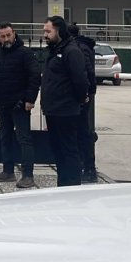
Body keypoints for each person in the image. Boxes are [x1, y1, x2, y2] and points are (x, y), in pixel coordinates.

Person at [0, 22, 42, 189]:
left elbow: (34, 77)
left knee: (24, 139)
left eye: (8, 35)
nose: (6, 38)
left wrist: (30, 100)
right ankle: (8, 171)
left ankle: (27, 175)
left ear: (14, 34)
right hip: (2, 104)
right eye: (2, 36)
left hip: (20, 105)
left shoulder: (25, 53)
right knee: (5, 138)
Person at [40, 16, 89, 186]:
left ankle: (72, 185)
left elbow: (80, 80)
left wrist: (79, 99)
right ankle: (62, 184)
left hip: (66, 110)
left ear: (59, 30)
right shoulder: (55, 50)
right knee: (57, 150)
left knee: (68, 149)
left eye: (48, 31)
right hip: (52, 109)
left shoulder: (71, 51)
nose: (45, 35)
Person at [68, 23, 99, 183]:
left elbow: (87, 72)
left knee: (81, 132)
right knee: (81, 131)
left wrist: (87, 92)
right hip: (82, 95)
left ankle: (88, 168)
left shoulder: (78, 48)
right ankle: (85, 166)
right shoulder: (83, 46)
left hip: (80, 96)